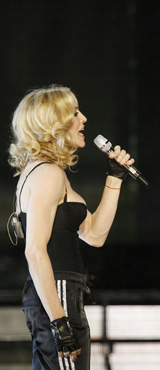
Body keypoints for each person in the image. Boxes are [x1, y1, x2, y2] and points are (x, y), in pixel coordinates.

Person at [8, 85, 134, 370]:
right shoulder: (48, 174)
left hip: (58, 296)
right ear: (54, 122)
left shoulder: (49, 172)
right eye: (75, 112)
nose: (84, 118)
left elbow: (94, 234)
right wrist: (60, 323)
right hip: (58, 293)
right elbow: (35, 251)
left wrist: (115, 178)